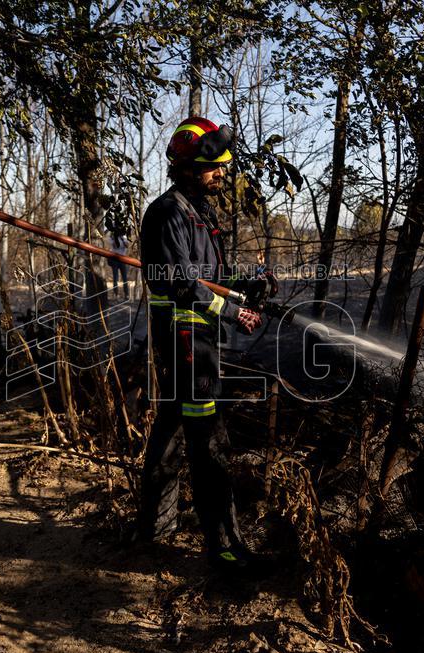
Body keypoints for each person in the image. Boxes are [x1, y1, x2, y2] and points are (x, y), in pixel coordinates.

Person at [137, 116, 275, 571]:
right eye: (213, 166)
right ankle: (225, 548)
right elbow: (179, 284)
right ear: (188, 166)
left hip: (199, 342)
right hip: (186, 345)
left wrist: (247, 283)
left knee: (172, 431)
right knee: (210, 443)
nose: (222, 173)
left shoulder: (198, 212)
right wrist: (236, 312)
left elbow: (209, 278)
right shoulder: (167, 213)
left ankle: (153, 531)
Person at [107, 231, 130, 299]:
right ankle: (116, 294)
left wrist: (122, 238)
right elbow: (115, 245)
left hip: (123, 259)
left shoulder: (124, 236)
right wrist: (115, 238)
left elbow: (127, 245)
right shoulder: (111, 238)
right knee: (115, 278)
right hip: (115, 259)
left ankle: (126, 294)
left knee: (125, 278)